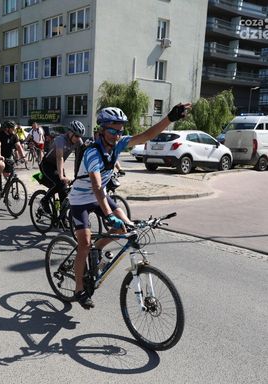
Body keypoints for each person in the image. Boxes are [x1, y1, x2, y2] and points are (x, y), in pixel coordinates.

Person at [69, 103, 190, 309]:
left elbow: (146, 136)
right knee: (84, 243)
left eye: (120, 131)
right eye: (112, 131)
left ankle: (98, 248)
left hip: (100, 196)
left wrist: (170, 118)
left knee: (125, 227)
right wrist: (109, 214)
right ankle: (79, 288)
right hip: (81, 199)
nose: (117, 136)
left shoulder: (118, 144)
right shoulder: (92, 152)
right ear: (101, 130)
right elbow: (96, 186)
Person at [39, 120, 85, 213]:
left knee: (64, 191)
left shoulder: (78, 142)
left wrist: (77, 175)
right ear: (70, 132)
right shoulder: (60, 140)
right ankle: (44, 200)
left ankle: (62, 218)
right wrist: (61, 176)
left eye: (80, 136)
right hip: (47, 164)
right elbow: (60, 158)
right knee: (60, 183)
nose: (78, 138)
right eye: (76, 136)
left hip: (58, 166)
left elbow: (78, 159)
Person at [0, 120, 25, 190]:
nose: (14, 129)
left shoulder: (14, 136)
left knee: (7, 174)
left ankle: (5, 190)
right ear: (7, 128)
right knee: (1, 165)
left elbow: (18, 146)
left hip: (7, 157)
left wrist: (23, 156)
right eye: (12, 128)